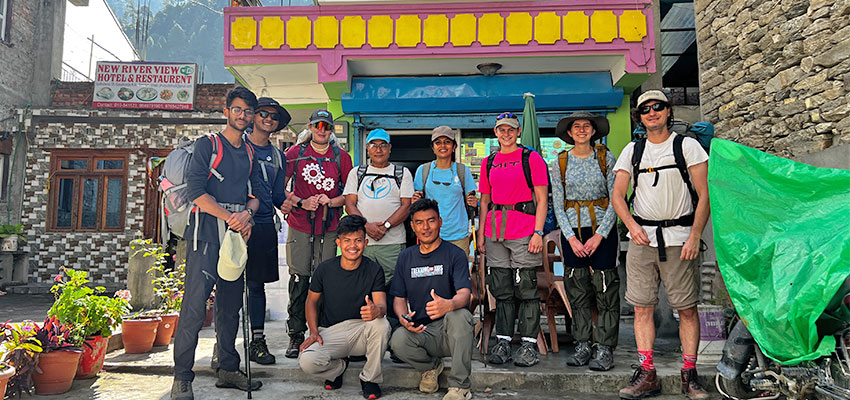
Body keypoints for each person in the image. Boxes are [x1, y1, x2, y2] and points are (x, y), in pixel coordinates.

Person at [612, 90, 710, 400]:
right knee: (642, 308)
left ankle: (689, 375)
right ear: (639, 117)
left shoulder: (688, 146)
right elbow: (617, 195)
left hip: (681, 239)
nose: (651, 113)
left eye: (657, 107)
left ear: (668, 111)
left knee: (687, 309)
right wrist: (631, 225)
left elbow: (704, 194)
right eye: (645, 109)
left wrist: (695, 235)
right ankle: (647, 373)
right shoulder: (633, 150)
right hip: (643, 241)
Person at [171, 87, 262, 399]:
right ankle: (182, 377)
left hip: (235, 238)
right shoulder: (207, 144)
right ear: (227, 111)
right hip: (205, 234)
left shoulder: (249, 151)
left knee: (230, 307)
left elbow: (256, 196)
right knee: (194, 306)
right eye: (237, 109)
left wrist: (246, 218)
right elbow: (196, 191)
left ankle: (226, 367)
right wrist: (230, 217)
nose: (243, 116)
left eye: (248, 112)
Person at [477, 112, 548, 367]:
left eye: (511, 130)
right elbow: (484, 201)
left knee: (527, 290)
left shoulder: (532, 158)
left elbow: (542, 199)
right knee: (502, 290)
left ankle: (528, 345)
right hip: (495, 233)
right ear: (495, 132)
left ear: (518, 132)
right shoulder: (489, 162)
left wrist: (538, 233)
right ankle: (503, 341)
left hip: (524, 231)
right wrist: (481, 235)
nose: (506, 134)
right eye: (501, 130)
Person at [281, 109, 354, 359]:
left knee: (325, 277)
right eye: (317, 125)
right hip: (301, 223)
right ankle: (296, 333)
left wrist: (331, 201)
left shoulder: (341, 157)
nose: (321, 129)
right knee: (300, 276)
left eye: (326, 125)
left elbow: (350, 194)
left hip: (330, 224)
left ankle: (323, 329)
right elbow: (279, 189)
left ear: (331, 129)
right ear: (311, 127)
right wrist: (301, 202)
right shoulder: (295, 153)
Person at [550, 112, 620, 371]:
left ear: (593, 131)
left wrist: (600, 234)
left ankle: (604, 346)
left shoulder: (605, 157)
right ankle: (582, 343)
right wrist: (570, 237)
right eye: (576, 127)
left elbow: (616, 199)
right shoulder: (559, 162)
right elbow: (557, 202)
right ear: (569, 133)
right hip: (572, 231)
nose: (581, 130)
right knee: (577, 289)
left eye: (586, 126)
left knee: (606, 289)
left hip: (603, 228)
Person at [389, 199, 475, 400]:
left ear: (440, 222)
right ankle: (431, 368)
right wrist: (403, 318)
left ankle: (460, 386)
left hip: (449, 331)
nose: (425, 227)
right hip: (422, 331)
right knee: (398, 339)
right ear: (412, 226)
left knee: (461, 316)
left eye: (431, 221)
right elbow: (399, 297)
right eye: (419, 222)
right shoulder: (405, 257)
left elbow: (465, 293)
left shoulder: (455, 254)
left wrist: (449, 304)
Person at [298, 215, 390, 400]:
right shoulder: (324, 269)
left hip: (361, 331)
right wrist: (313, 332)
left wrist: (376, 311)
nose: (352, 246)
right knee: (307, 361)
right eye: (347, 241)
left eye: (357, 241)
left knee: (382, 324)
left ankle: (370, 379)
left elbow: (381, 305)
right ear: (339, 243)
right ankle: (338, 368)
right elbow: (311, 302)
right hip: (330, 332)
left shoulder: (374, 269)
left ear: (365, 243)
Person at [242, 97, 291, 364]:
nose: (268, 118)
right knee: (228, 285)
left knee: (256, 285)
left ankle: (257, 342)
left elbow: (276, 196)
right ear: (253, 116)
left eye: (273, 116)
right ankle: (222, 345)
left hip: (263, 225)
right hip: (234, 224)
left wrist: (294, 203)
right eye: (263, 113)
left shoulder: (278, 156)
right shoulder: (237, 145)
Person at [343, 128, 414, 283]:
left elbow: (406, 206)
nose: (378, 149)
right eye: (373, 145)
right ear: (367, 148)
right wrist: (366, 226)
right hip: (362, 241)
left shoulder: (402, 173)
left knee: (394, 285)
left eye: (383, 145)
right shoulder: (357, 172)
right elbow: (349, 204)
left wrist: (386, 226)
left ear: (389, 148)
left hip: (393, 243)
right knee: (362, 282)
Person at [411, 126, 478, 253]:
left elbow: (472, 200)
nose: (443, 146)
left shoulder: (462, 171)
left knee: (458, 272)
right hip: (430, 234)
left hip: (458, 235)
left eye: (447, 142)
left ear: (454, 147)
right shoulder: (423, 170)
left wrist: (474, 203)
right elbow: (416, 203)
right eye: (438, 142)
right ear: (433, 147)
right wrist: (414, 201)